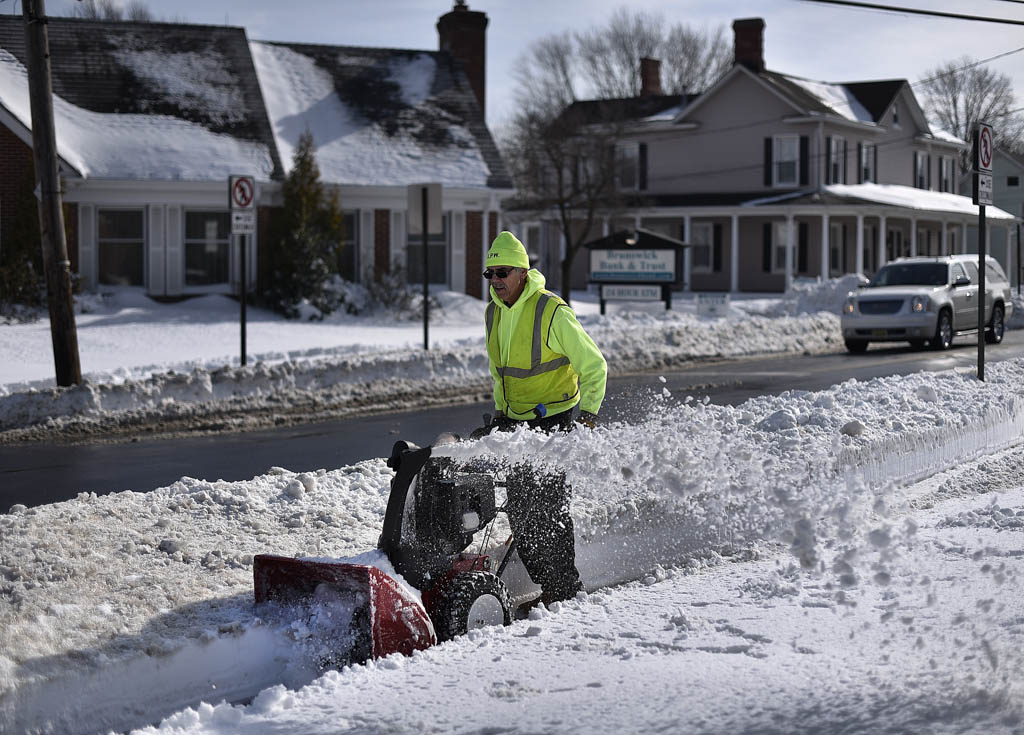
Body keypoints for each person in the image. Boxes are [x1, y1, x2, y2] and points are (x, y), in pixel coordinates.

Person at [475, 230, 607, 606]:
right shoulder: (492, 313)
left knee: (548, 511)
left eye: (502, 273)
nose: (496, 281)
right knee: (521, 513)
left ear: (521, 272)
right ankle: (551, 588)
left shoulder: (552, 311)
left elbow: (594, 366)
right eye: (490, 274)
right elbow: (499, 371)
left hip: (555, 422)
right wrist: (500, 414)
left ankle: (566, 591)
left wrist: (590, 417)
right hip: (517, 424)